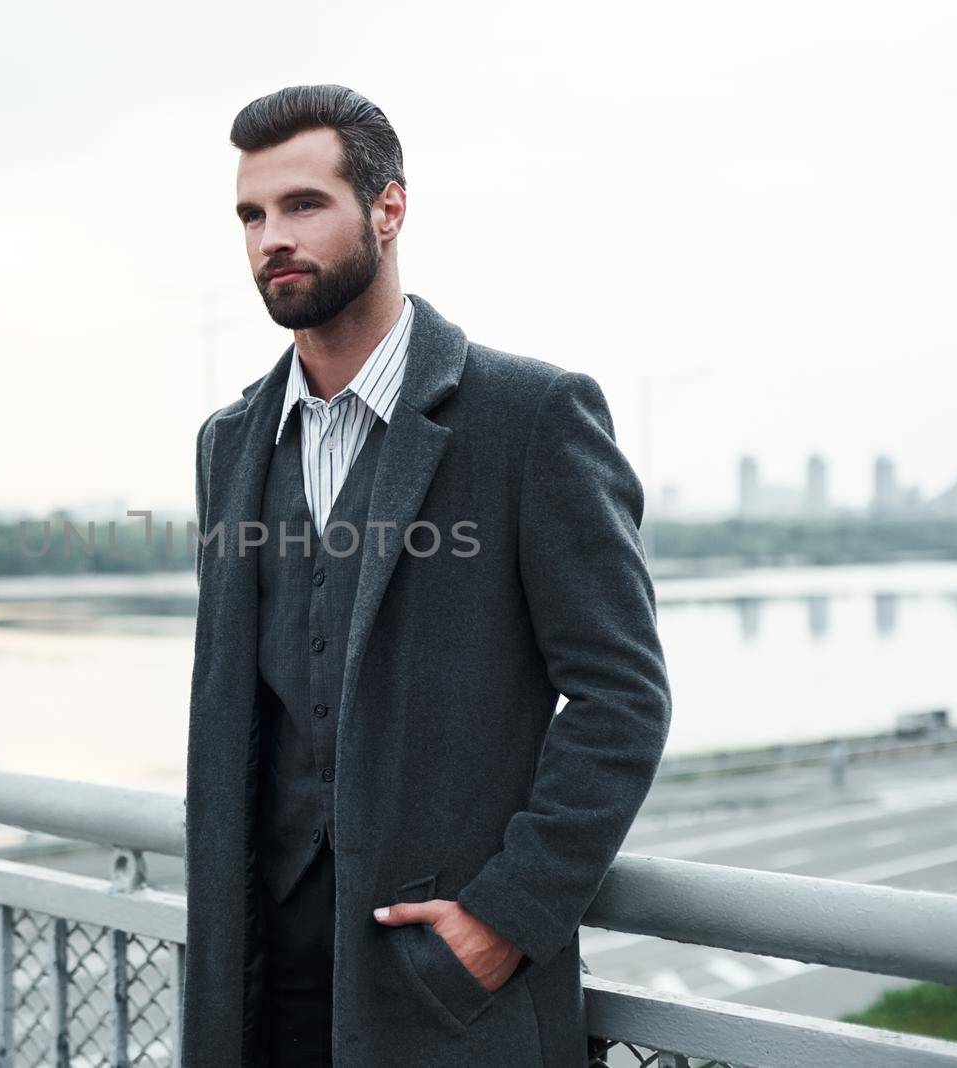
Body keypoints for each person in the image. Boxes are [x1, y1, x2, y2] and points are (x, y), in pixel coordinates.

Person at [182, 83, 672, 1067]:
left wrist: (507, 918)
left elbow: (621, 695)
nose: (270, 236)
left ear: (388, 209)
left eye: (303, 204)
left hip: (438, 984)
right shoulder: (229, 442)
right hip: (256, 983)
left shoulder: (529, 417)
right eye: (251, 214)